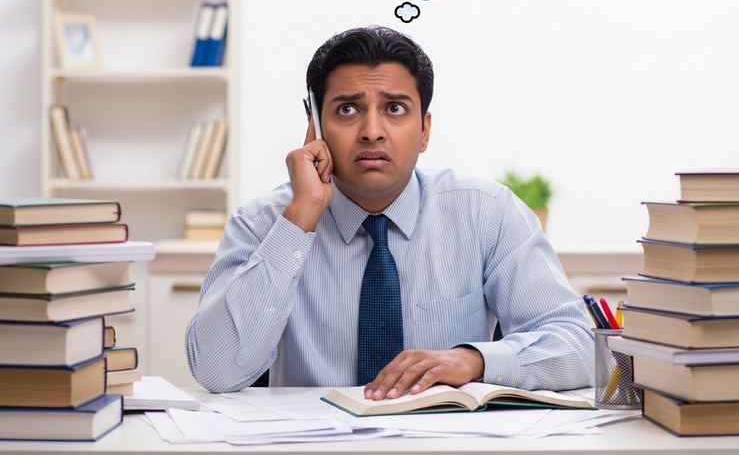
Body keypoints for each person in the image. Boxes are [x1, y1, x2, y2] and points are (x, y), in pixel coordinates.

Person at [186, 26, 594, 398]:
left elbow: (578, 345)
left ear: (424, 131)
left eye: (395, 108)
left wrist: (474, 360)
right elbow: (215, 371)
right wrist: (302, 215)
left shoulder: (488, 213)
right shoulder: (263, 222)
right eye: (347, 109)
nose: (372, 131)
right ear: (315, 127)